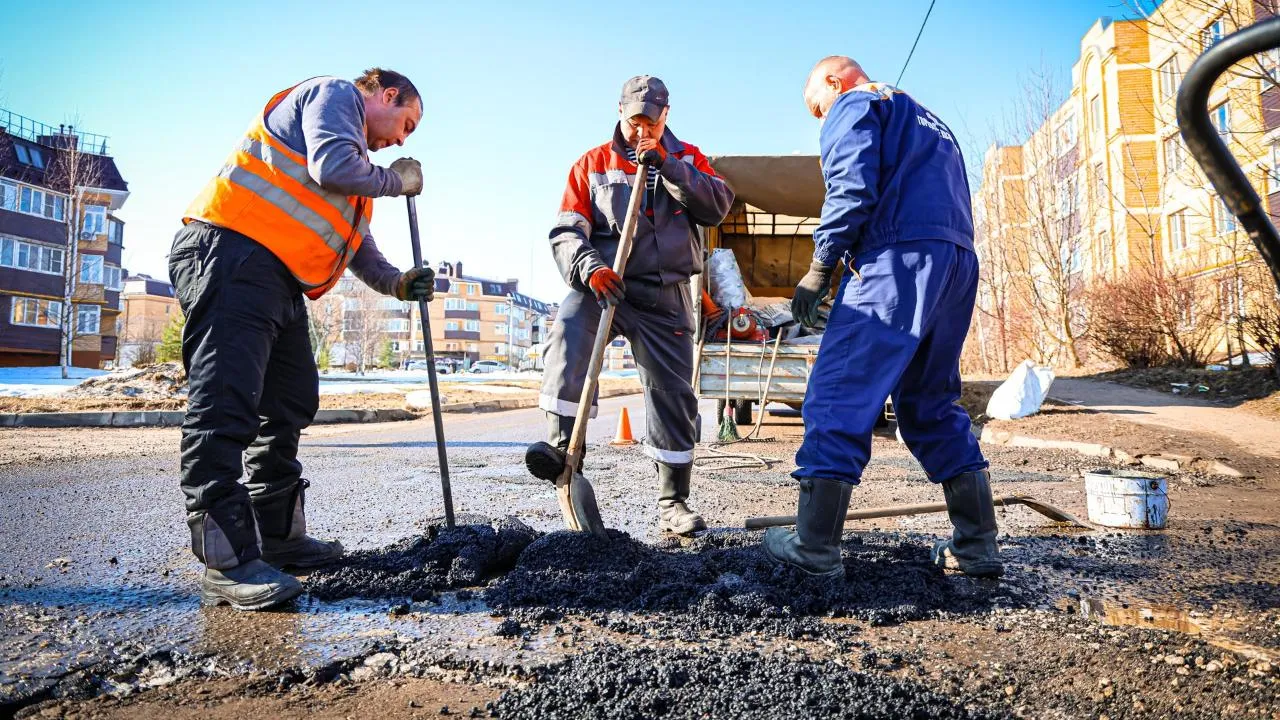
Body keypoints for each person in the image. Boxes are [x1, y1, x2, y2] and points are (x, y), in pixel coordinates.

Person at [171, 68, 436, 610]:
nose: (402, 141)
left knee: (288, 403)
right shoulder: (334, 97)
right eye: (405, 122)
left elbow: (358, 248)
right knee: (226, 405)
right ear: (385, 94)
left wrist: (399, 283)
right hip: (228, 252)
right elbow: (336, 168)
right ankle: (227, 563)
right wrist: (395, 181)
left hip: (277, 278)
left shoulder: (354, 171)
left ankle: (279, 540)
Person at [763, 56, 1002, 579]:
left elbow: (850, 187)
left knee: (837, 390)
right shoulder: (930, 122)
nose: (820, 120)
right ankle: (977, 545)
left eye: (816, 108)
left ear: (833, 81)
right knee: (929, 403)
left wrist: (821, 268)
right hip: (956, 264)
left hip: (897, 262)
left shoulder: (855, 103)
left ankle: (815, 547)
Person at [524, 75, 734, 535]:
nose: (642, 131)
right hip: (605, 284)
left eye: (651, 122)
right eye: (634, 120)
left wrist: (671, 168)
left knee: (673, 395)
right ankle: (562, 452)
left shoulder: (689, 158)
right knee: (568, 334)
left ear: (666, 116)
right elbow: (566, 230)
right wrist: (588, 267)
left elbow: (718, 206)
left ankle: (673, 501)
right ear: (620, 112)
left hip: (666, 294)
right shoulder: (592, 164)